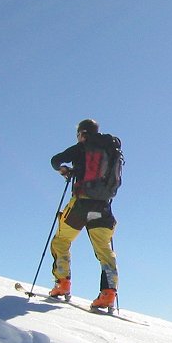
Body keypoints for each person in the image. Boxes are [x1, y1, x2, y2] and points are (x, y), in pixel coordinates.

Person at [48, 118, 119, 310]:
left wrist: (64, 170)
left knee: (61, 241)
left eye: (78, 134)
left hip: (81, 204)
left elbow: (55, 160)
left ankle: (62, 284)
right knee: (104, 249)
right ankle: (108, 294)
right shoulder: (111, 149)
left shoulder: (82, 147)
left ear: (83, 133)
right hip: (103, 207)